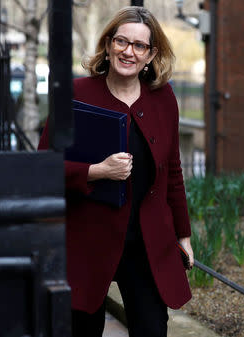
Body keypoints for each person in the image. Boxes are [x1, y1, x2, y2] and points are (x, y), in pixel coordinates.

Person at [38, 6, 194, 337]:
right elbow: (44, 166)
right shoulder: (76, 95)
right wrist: (97, 171)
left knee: (152, 328)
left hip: (147, 243)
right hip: (87, 239)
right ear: (108, 45)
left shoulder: (163, 98)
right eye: (122, 41)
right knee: (81, 329)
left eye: (140, 46)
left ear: (151, 54)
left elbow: (173, 172)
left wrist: (183, 235)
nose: (129, 51)